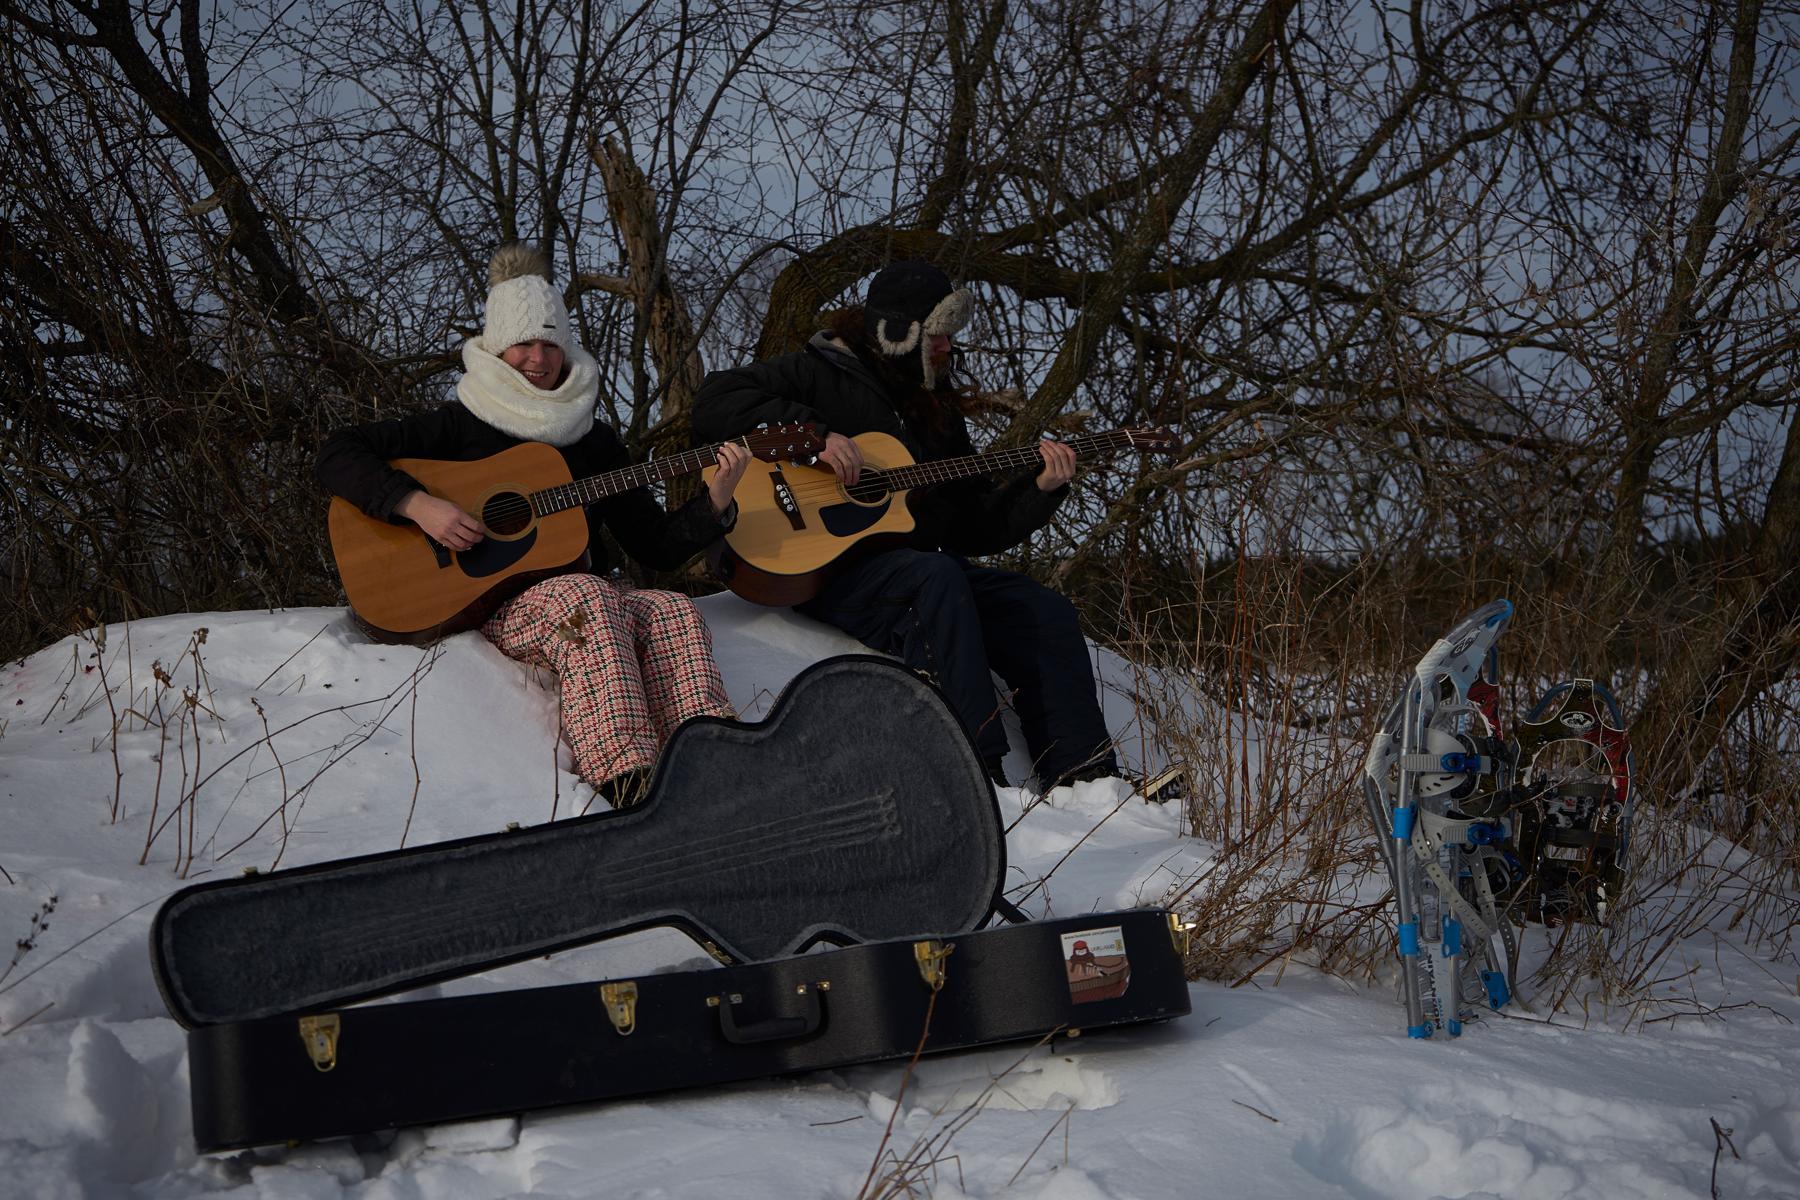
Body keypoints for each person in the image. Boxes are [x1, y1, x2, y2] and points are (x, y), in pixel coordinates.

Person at [318, 243, 751, 808]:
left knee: (672, 609)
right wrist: (417, 505)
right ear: (499, 349)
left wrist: (715, 500)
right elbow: (336, 453)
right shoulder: (460, 424)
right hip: (496, 604)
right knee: (586, 597)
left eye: (550, 344)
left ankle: (720, 759)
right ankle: (629, 780)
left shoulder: (592, 441)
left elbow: (656, 545)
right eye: (524, 343)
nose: (538, 358)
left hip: (588, 590)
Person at [692, 259, 1119, 789]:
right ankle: (976, 769)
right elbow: (714, 401)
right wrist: (815, 439)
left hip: (913, 569)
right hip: (823, 569)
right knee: (934, 578)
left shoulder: (936, 412)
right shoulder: (817, 372)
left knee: (1039, 607)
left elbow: (973, 526)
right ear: (899, 334)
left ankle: (1085, 773)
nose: (947, 348)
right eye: (937, 336)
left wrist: (1042, 490)